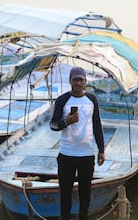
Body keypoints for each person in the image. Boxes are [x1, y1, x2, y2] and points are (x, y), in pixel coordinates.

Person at [50, 66, 105, 220]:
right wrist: (66, 121)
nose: (78, 83)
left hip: (86, 155)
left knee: (85, 193)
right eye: (75, 79)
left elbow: (97, 126)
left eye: (81, 79)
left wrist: (101, 150)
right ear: (70, 81)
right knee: (65, 192)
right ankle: (64, 217)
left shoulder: (92, 99)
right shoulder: (62, 100)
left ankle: (84, 217)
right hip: (66, 154)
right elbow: (53, 125)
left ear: (85, 81)